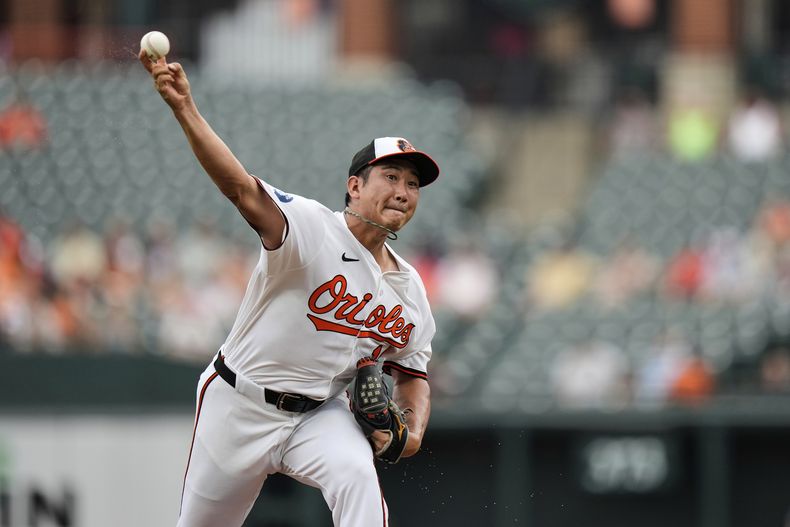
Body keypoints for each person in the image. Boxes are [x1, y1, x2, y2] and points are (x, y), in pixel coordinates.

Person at [139, 50, 438, 527]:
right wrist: (185, 109)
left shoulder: (410, 288)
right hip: (238, 405)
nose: (404, 190)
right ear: (354, 186)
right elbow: (239, 188)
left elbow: (413, 373)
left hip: (319, 416)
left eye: (413, 183)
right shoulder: (310, 227)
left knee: (357, 476)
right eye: (391, 176)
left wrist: (413, 431)